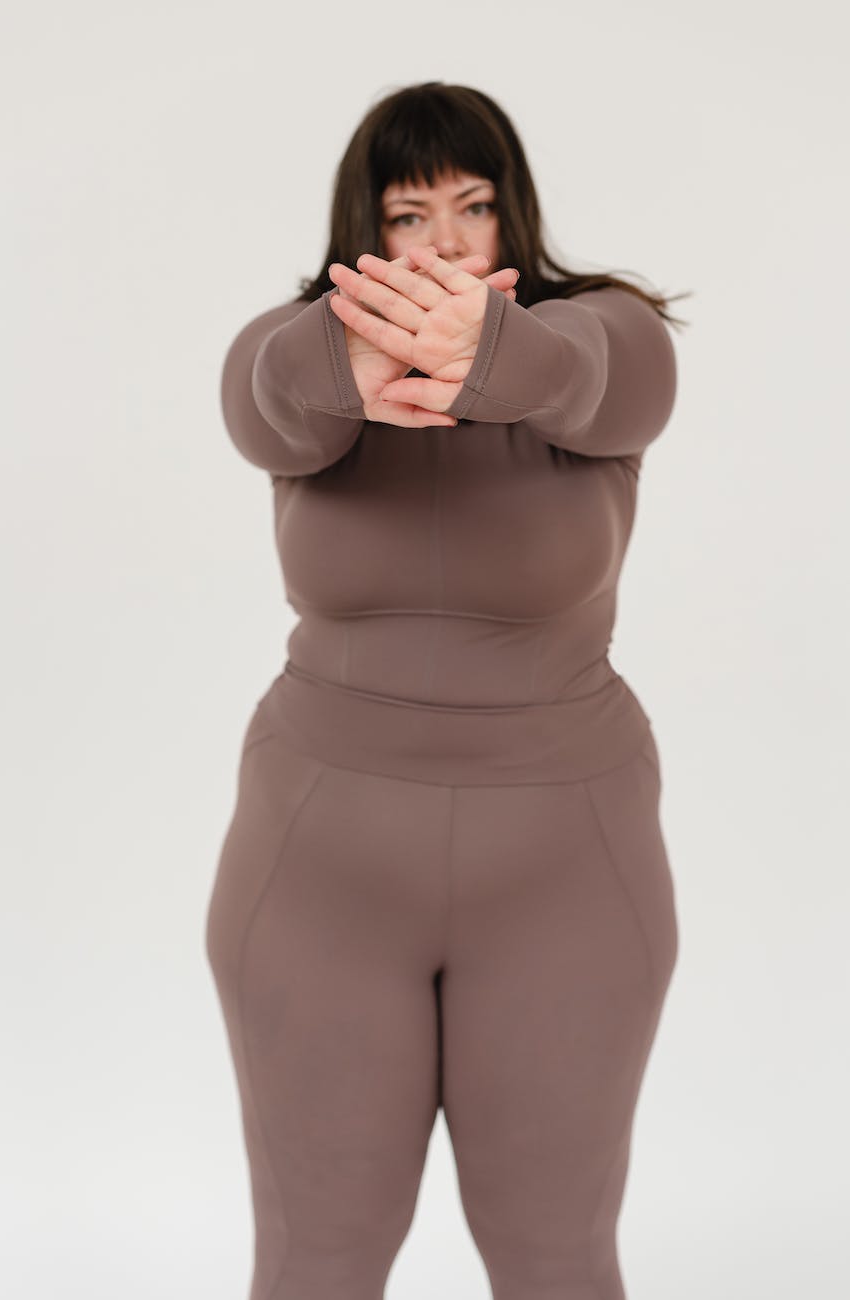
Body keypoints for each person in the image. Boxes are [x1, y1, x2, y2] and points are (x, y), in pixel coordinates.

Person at [204, 79, 691, 1300]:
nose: (446, 243)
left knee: (554, 1261)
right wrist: (349, 353)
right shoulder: (297, 357)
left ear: (511, 214)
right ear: (360, 231)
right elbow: (263, 402)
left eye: (473, 207)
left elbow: (594, 377)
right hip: (318, 867)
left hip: (565, 873)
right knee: (315, 1262)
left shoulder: (606, 335)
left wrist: (486, 357)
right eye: (409, 214)